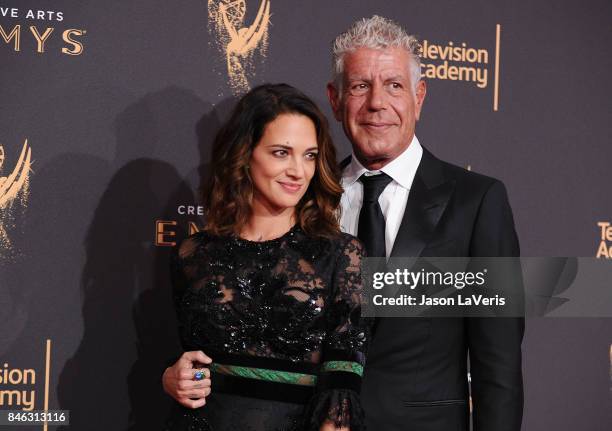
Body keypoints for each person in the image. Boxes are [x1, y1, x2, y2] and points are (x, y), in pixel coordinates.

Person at [326, 16, 524, 431]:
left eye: (394, 85)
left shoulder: (477, 202)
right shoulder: (311, 198)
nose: (377, 102)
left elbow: (498, 367)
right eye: (361, 86)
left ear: (419, 96)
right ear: (335, 99)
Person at [162, 83, 371, 431]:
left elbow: (342, 391)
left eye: (309, 155)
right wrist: (174, 376)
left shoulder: (343, 255)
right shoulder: (193, 254)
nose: (298, 171)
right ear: (244, 154)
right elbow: (196, 362)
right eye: (280, 152)